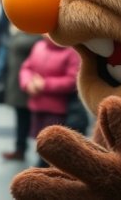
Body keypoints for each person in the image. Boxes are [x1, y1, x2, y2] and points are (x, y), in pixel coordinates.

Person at [19, 34, 80, 167]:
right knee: (40, 142)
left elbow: (72, 80)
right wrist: (27, 83)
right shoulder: (38, 46)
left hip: (57, 109)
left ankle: (44, 171)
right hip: (37, 105)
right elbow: (26, 68)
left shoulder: (71, 51)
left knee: (52, 145)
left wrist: (45, 84)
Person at [0, 26, 41, 161]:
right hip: (16, 81)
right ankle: (20, 148)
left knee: (29, 118)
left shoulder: (36, 36)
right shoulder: (20, 33)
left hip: (27, 83)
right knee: (21, 117)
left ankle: (27, 149)